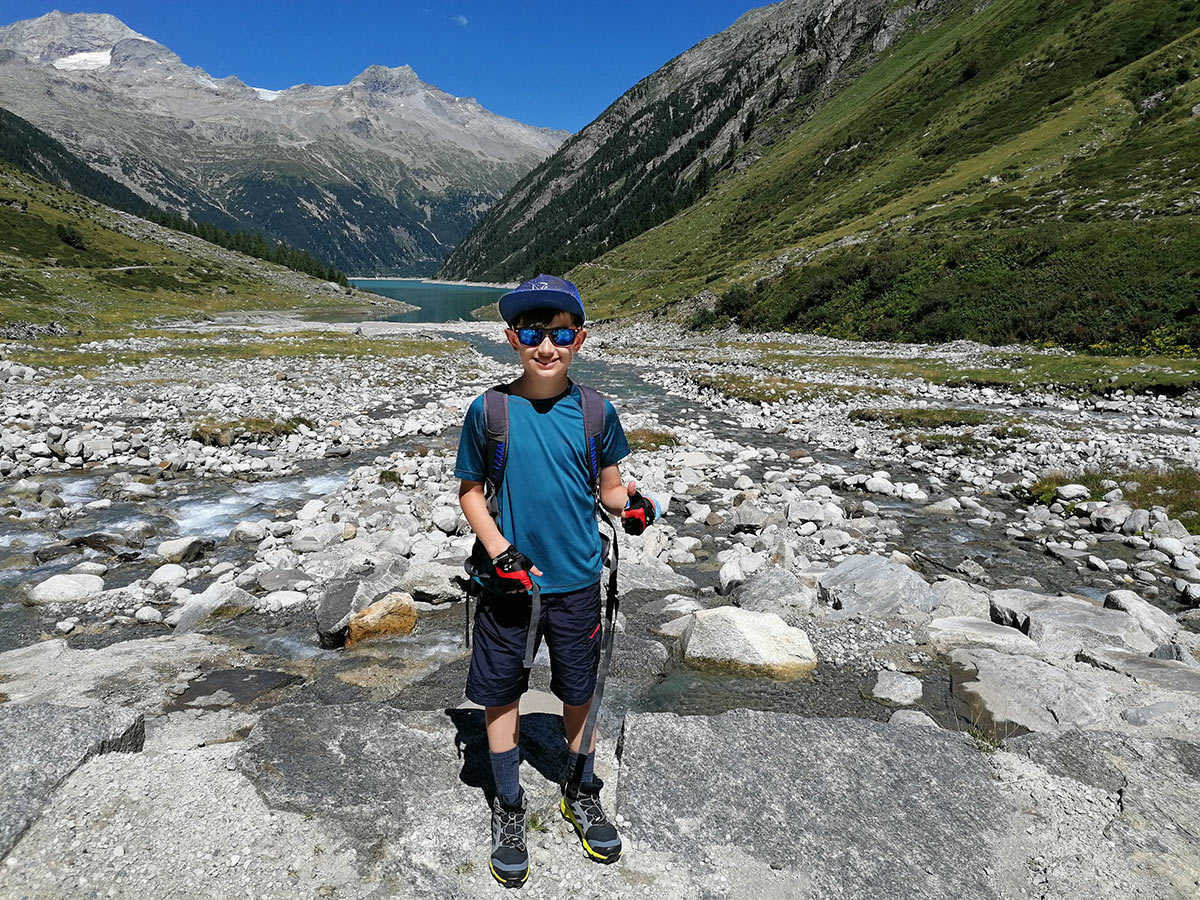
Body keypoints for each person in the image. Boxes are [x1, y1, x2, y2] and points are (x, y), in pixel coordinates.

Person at [453, 274, 658, 888]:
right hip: (507, 585)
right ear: (511, 338)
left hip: (576, 583)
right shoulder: (489, 411)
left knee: (579, 688)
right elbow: (470, 494)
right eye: (532, 333)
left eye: (561, 333)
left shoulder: (598, 411)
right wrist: (500, 551)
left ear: (580, 339)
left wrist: (632, 506)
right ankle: (510, 805)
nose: (547, 346)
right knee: (500, 691)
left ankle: (580, 789)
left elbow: (611, 487)